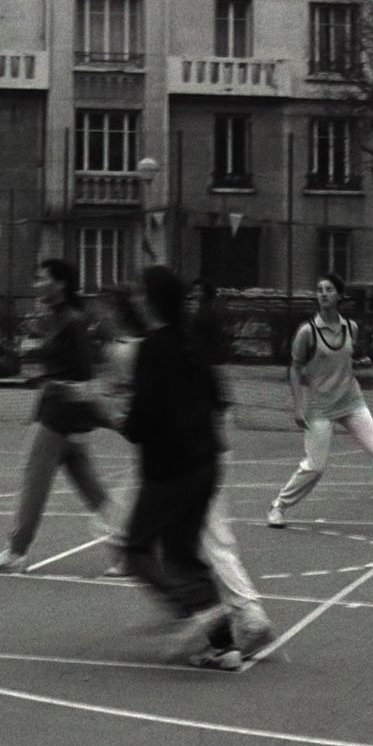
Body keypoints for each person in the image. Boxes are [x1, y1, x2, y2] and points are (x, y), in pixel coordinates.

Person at [118, 266, 243, 670]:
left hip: (169, 469)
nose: (136, 299)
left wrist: (110, 413)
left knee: (136, 549)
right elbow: (219, 397)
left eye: (141, 294)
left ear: (152, 302)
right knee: (183, 553)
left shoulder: (153, 347)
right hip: (204, 464)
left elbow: (142, 421)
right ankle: (225, 647)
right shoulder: (193, 341)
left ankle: (193, 611)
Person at [0, 258, 116, 573]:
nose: (36, 284)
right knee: (91, 489)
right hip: (57, 412)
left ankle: (16, 551)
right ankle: (131, 551)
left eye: (42, 279)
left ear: (60, 284)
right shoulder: (57, 318)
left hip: (61, 416)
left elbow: (82, 374)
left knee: (33, 479)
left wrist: (80, 421)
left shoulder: (73, 321)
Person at [266, 276, 373, 535]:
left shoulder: (351, 328)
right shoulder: (308, 332)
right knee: (315, 466)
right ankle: (278, 505)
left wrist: (358, 363)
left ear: (339, 296)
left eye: (329, 290)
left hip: (351, 402)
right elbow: (295, 369)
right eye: (319, 290)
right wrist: (297, 406)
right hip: (320, 406)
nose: (323, 294)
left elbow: (347, 358)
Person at [188, 280, 273, 656]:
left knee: (210, 540)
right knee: (209, 539)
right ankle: (235, 613)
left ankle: (247, 614)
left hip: (200, 458)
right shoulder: (205, 363)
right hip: (210, 454)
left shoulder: (192, 359)